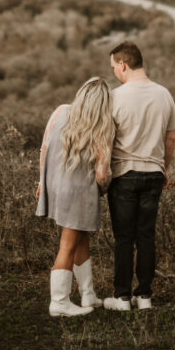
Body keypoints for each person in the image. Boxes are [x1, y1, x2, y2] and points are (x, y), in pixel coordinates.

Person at [103, 41, 175, 312]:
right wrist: (165, 168)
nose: (113, 72)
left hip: (124, 174)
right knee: (146, 235)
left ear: (123, 64)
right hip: (154, 174)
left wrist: (104, 172)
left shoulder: (115, 97)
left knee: (124, 237)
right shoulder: (164, 95)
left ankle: (122, 296)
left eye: (113, 67)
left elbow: (106, 141)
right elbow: (170, 139)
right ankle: (144, 295)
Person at [36, 76, 115, 317]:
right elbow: (102, 173)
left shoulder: (60, 111)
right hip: (79, 191)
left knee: (81, 240)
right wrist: (106, 186)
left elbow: (45, 147)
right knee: (68, 244)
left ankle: (88, 294)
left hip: (55, 184)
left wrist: (41, 180)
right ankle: (59, 302)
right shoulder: (103, 126)